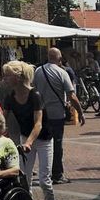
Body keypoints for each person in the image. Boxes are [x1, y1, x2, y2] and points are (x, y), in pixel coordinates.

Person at [0, 61, 56, 200]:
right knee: (25, 182)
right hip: (25, 138)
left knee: (45, 181)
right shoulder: (10, 97)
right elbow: (2, 120)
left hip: (43, 139)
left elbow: (38, 123)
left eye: (8, 75)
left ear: (18, 77)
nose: (5, 79)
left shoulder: (35, 95)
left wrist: (29, 143)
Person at [33, 48, 85, 184]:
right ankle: (57, 174)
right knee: (56, 145)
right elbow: (72, 96)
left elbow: (33, 91)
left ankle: (45, 172)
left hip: (41, 114)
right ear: (59, 58)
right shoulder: (62, 72)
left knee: (43, 145)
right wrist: (80, 112)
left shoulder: (38, 71)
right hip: (56, 114)